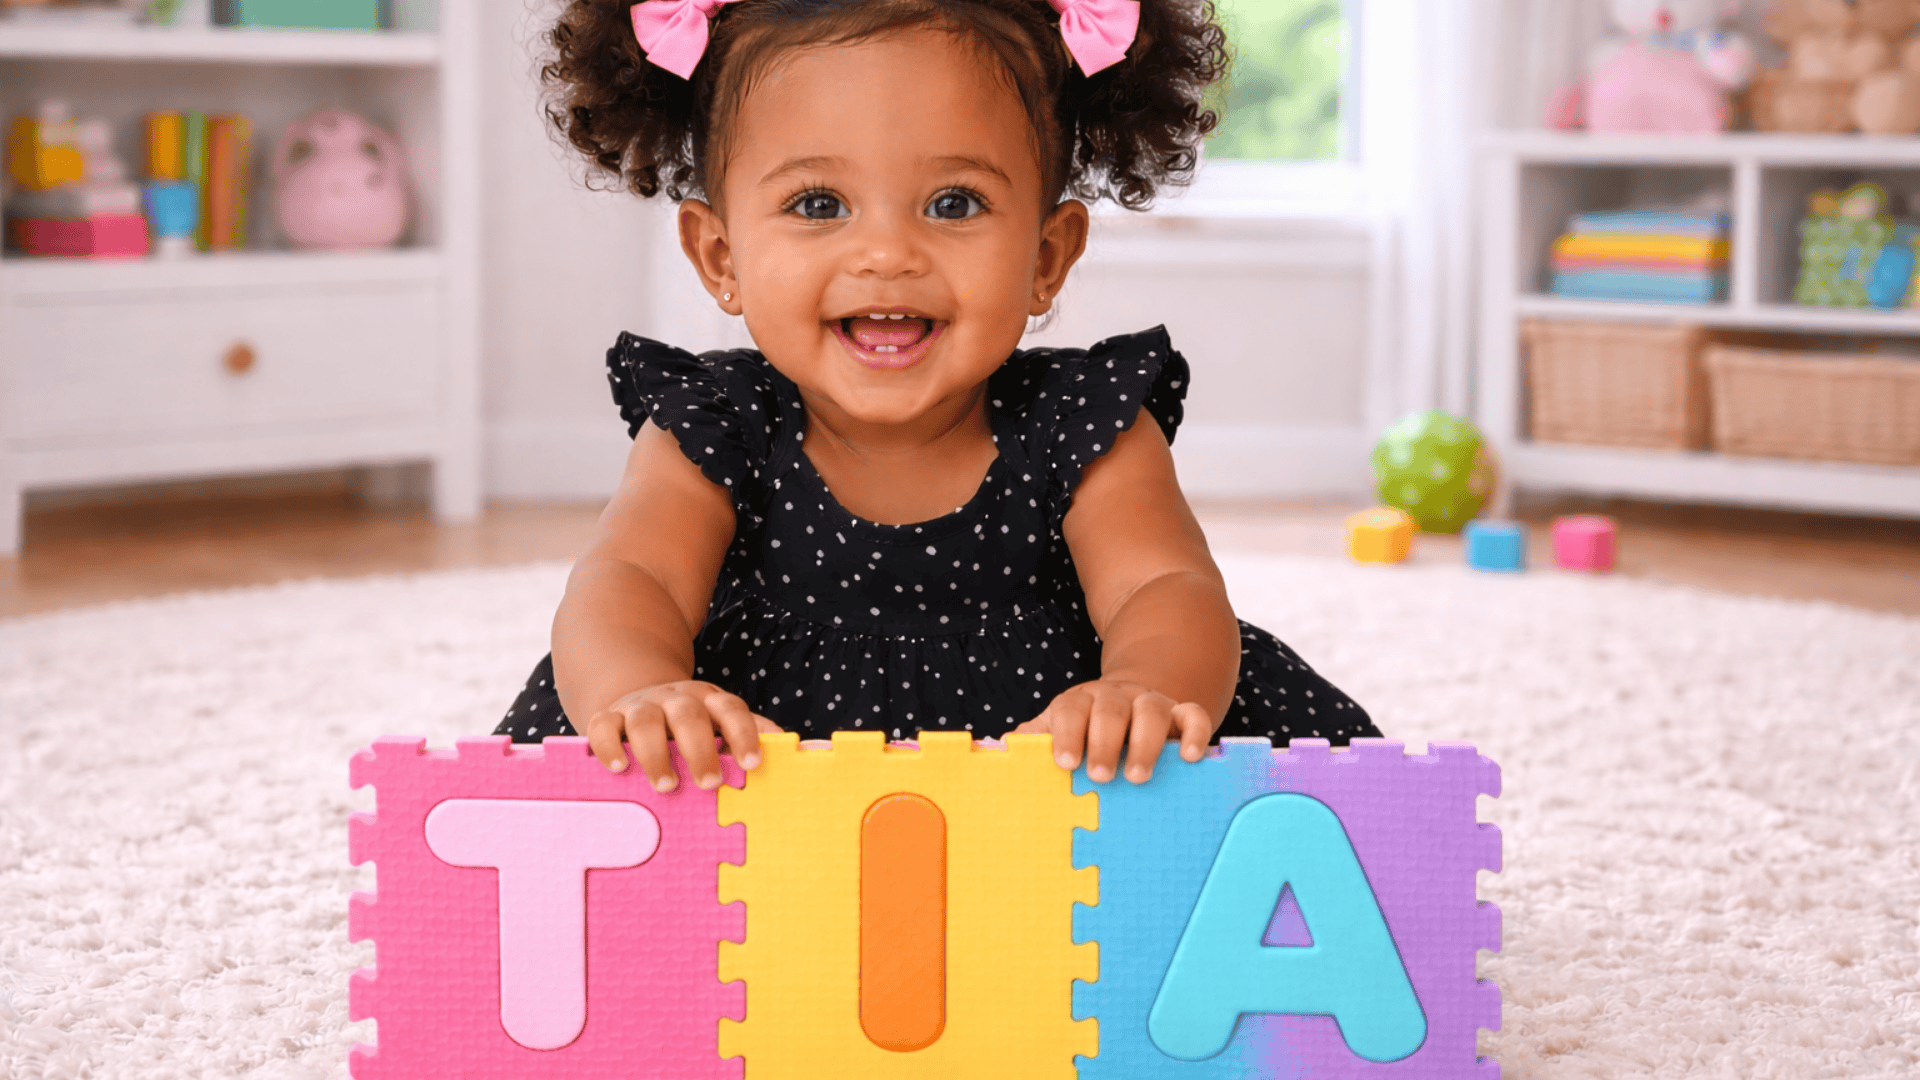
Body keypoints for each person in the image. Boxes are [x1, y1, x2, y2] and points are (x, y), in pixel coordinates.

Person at [497, 0, 1378, 792]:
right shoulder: (717, 421)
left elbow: (1164, 583)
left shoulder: (1082, 418)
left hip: (1048, 751)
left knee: (1255, 814)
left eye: (954, 204)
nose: (887, 253)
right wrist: (643, 689)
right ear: (720, 258)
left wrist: (1140, 688)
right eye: (817, 203)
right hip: (759, 751)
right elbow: (631, 576)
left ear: (1046, 255)